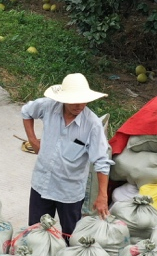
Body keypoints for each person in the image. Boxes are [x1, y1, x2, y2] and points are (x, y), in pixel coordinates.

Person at [21, 73, 112, 238]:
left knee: (71, 236)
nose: (79, 105)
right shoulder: (49, 107)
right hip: (42, 184)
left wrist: (102, 195)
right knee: (35, 233)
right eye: (73, 101)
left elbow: (101, 161)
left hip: (69, 192)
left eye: (83, 100)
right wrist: (33, 140)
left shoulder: (92, 124)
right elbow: (26, 111)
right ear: (63, 99)